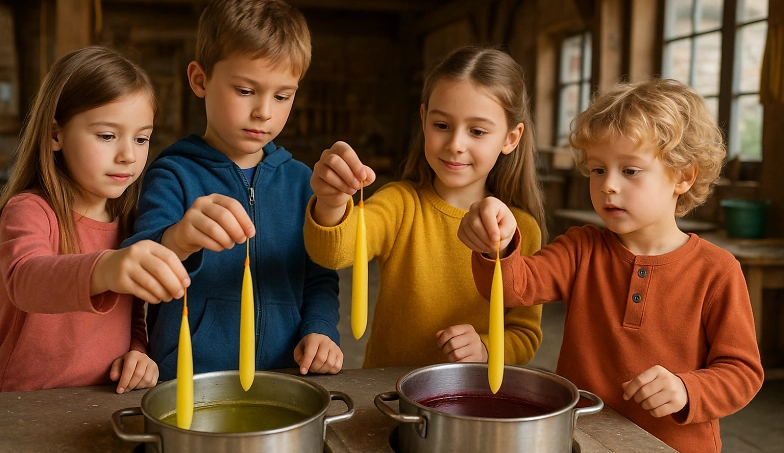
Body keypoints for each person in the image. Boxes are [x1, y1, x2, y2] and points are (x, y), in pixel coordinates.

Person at [460, 79, 764, 453]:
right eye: (598, 170)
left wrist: (688, 389)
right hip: (580, 439)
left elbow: (742, 372)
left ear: (684, 176)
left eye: (630, 171)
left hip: (676, 446)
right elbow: (514, 287)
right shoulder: (580, 248)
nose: (608, 186)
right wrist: (500, 245)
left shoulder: (718, 271)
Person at [122, 0, 342, 381]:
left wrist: (321, 330)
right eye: (245, 90)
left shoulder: (302, 182)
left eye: (282, 96)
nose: (263, 112)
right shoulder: (172, 174)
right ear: (200, 79)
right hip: (188, 380)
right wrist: (180, 238)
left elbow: (319, 276)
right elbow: (135, 270)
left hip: (285, 374)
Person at [304, 46, 544, 368]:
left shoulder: (521, 230)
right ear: (423, 119)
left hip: (471, 402)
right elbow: (334, 253)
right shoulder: (400, 204)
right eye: (442, 125)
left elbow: (524, 333)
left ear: (510, 138)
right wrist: (332, 202)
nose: (456, 144)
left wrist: (487, 349)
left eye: (477, 131)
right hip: (389, 395)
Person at [0, 46, 190, 393]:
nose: (128, 155)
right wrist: (107, 267)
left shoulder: (129, 220)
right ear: (55, 134)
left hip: (102, 404)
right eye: (107, 135)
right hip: (23, 409)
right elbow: (24, 280)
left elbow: (132, 315)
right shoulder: (28, 209)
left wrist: (138, 351)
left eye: (141, 138)